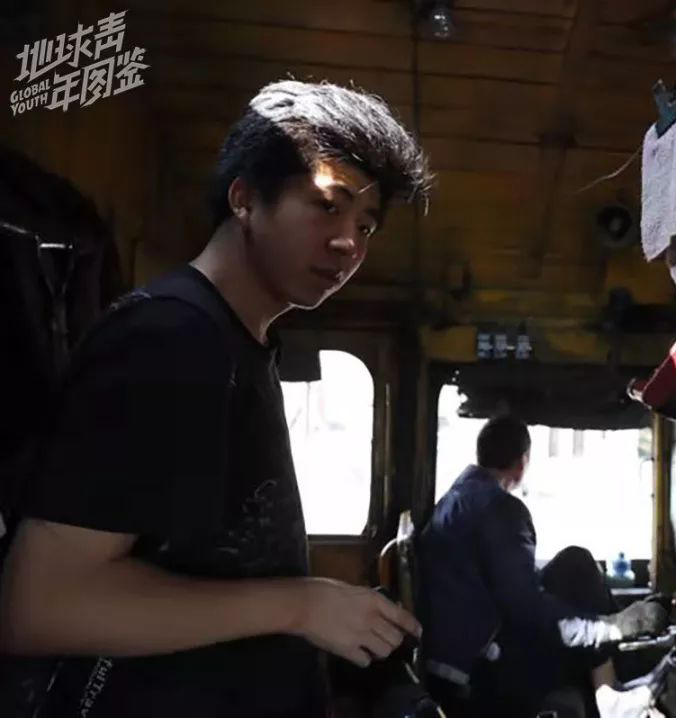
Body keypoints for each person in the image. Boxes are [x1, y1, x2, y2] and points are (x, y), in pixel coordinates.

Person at [0, 80, 433, 717]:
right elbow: (38, 606)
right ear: (244, 198)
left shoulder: (240, 343)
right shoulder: (169, 337)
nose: (350, 243)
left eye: (366, 224)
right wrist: (302, 605)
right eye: (327, 206)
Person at [418, 416, 665, 718]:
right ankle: (610, 695)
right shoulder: (500, 508)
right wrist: (608, 627)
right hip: (481, 674)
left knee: (572, 567)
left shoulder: (456, 499)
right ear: (522, 462)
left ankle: (609, 690)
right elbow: (526, 609)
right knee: (578, 565)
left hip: (456, 664)